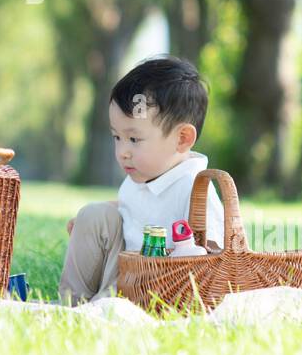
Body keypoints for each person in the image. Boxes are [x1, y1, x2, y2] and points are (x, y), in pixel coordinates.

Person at [58, 56, 225, 304]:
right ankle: (69, 302)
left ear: (181, 139)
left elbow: (218, 252)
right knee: (94, 214)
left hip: (158, 286)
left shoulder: (194, 187)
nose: (122, 151)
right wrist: (90, 223)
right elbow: (133, 206)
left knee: (119, 290)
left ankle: (100, 308)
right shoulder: (141, 175)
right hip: (124, 272)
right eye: (117, 137)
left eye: (134, 139)